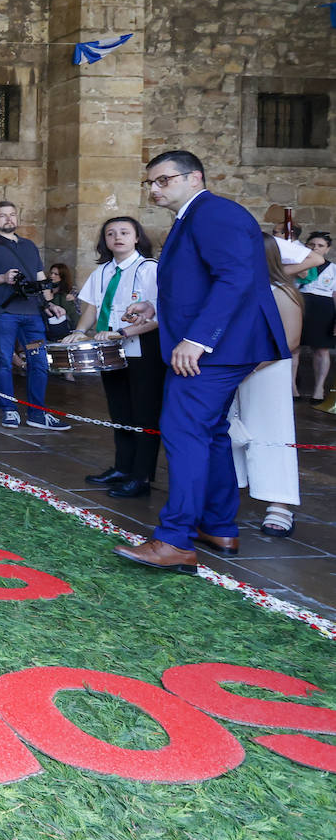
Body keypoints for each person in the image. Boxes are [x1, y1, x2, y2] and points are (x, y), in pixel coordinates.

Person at [113, 150, 288, 572]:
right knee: (209, 433)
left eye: (163, 180)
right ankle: (218, 524)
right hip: (219, 344)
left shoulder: (214, 213)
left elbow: (237, 278)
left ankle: (175, 540)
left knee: (183, 430)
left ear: (194, 178)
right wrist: (156, 309)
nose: (154, 189)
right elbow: (200, 281)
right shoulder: (192, 217)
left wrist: (198, 339)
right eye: (150, 183)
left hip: (216, 348)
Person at [62, 217, 164, 499]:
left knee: (144, 412)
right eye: (110, 233)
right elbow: (92, 307)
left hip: (143, 348)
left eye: (124, 232)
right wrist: (80, 332)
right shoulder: (103, 271)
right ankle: (122, 467)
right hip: (110, 349)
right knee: (120, 410)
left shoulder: (149, 269)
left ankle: (141, 476)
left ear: (136, 238)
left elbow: (159, 312)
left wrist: (124, 331)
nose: (117, 237)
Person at [0, 201, 70, 430]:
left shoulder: (29, 246)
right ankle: (9, 410)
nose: (8, 219)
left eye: (12, 215)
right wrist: (2, 278)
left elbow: (40, 277)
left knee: (39, 361)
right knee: (4, 360)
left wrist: (49, 304)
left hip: (32, 316)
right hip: (3, 314)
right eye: (2, 216)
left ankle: (37, 413)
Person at [229, 237, 304, 538]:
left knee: (272, 432)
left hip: (268, 368)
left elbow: (291, 341)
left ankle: (280, 503)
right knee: (232, 430)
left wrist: (251, 367)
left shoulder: (283, 291)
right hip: (234, 367)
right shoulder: (234, 289)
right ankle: (229, 491)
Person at [293, 232, 334, 403]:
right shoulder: (297, 266)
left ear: (327, 249)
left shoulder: (333, 269)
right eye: (312, 245)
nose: (315, 248)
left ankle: (319, 389)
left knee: (321, 350)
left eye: (320, 245)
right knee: (294, 348)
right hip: (299, 305)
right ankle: (292, 387)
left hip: (323, 310)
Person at [45, 263, 80, 343]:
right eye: (51, 273)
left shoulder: (70, 293)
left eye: (56, 274)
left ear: (62, 276)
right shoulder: (45, 289)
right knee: (31, 346)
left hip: (63, 331)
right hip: (45, 330)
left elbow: (75, 315)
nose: (52, 276)